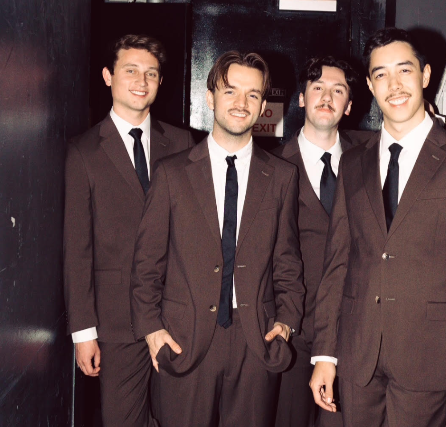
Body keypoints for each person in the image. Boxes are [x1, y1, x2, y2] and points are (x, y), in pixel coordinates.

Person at [309, 28, 446, 427]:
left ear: (425, 75)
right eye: (381, 74)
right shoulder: (353, 163)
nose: (394, 85)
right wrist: (325, 354)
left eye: (404, 70)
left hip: (426, 358)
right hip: (357, 356)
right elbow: (337, 264)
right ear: (369, 85)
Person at [130, 51, 305, 427]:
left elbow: (287, 259)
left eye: (253, 94)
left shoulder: (282, 176)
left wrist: (287, 322)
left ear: (263, 107)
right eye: (230, 91)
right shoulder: (171, 173)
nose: (241, 103)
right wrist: (151, 329)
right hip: (184, 337)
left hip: (256, 340)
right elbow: (147, 263)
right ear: (210, 98)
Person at [63, 34, 194, 426]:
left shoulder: (183, 143)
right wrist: (83, 332)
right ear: (108, 76)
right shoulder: (84, 151)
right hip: (116, 323)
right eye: (131, 71)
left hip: (179, 315)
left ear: (161, 81)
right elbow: (77, 249)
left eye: (151, 73)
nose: (142, 81)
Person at [273, 56, 368, 427]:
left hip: (353, 331)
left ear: (349, 105)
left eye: (338, 90)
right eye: (318, 88)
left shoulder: (372, 158)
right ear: (301, 98)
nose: (327, 98)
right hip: (290, 334)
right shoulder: (271, 167)